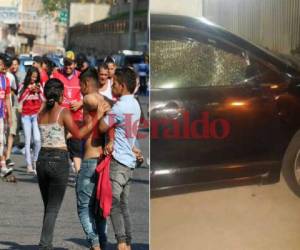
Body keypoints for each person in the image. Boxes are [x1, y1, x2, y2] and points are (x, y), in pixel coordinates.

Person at [37, 78, 109, 250]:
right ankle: (44, 245)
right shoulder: (63, 112)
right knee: (53, 208)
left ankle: (46, 243)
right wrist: (97, 116)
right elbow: (79, 134)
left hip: (42, 160)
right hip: (58, 160)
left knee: (48, 207)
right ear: (61, 94)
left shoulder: (41, 111)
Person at [99, 67, 141, 250]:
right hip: (129, 162)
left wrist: (102, 111)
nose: (112, 86)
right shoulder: (135, 104)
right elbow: (130, 133)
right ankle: (128, 242)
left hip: (118, 162)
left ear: (122, 86)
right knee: (123, 205)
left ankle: (122, 242)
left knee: (114, 204)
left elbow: (102, 127)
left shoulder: (120, 106)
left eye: (114, 83)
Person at [76, 68, 111, 250]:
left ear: (86, 84)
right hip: (102, 161)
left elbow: (89, 100)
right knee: (98, 208)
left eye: (80, 85)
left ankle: (95, 242)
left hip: (90, 160)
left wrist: (82, 104)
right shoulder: (104, 101)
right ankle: (102, 241)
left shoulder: (89, 98)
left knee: (83, 206)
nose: (79, 89)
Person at [52, 51, 83, 173]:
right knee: (60, 147)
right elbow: (51, 92)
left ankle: (78, 175)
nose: (68, 66)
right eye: (66, 63)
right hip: (60, 118)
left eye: (70, 64)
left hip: (76, 118)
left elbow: (89, 94)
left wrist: (81, 102)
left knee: (76, 148)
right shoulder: (57, 75)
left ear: (75, 64)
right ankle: (58, 173)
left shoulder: (81, 76)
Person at [18, 66, 44, 174]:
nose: (34, 79)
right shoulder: (23, 85)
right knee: (28, 140)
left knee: (38, 140)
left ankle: (35, 161)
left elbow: (44, 100)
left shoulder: (39, 85)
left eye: (36, 77)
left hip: (36, 115)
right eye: (32, 77)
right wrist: (29, 90)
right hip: (26, 116)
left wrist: (38, 91)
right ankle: (29, 164)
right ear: (29, 76)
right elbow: (20, 99)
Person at [0, 54, 12, 177]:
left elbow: (7, 99)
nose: (2, 66)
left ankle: (3, 165)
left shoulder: (6, 80)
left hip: (1, 115)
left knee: (1, 141)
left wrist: (10, 117)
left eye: (3, 64)